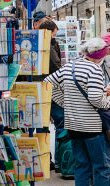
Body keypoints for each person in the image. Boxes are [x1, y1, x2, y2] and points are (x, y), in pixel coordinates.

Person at [45, 38, 110, 186]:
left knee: (81, 166)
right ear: (100, 55)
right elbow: (95, 99)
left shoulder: (70, 65)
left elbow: (47, 83)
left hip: (74, 126)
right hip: (92, 127)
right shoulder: (94, 69)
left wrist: (64, 102)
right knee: (101, 167)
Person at [39, 20, 64, 172]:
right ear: (50, 31)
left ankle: (45, 160)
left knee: (42, 126)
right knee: (61, 122)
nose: (56, 35)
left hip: (40, 90)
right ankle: (60, 160)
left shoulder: (42, 43)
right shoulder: (49, 44)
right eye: (54, 32)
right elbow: (56, 66)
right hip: (51, 90)